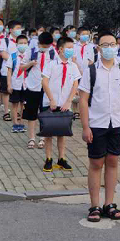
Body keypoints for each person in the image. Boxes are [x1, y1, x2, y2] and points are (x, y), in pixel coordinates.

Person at [79, 30, 120, 222]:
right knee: (96, 163)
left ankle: (109, 203)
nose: (110, 48)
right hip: (97, 124)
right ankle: (94, 205)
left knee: (113, 162)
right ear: (98, 48)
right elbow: (83, 101)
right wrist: (85, 127)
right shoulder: (91, 71)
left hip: (116, 123)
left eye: (112, 44)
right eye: (105, 45)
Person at [40, 36, 81, 172]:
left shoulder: (73, 66)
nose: (71, 50)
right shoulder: (51, 64)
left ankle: (61, 158)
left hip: (65, 104)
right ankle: (48, 158)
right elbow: (45, 82)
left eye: (72, 48)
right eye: (68, 48)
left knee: (62, 132)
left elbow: (75, 83)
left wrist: (69, 101)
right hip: (50, 102)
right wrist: (52, 99)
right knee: (48, 131)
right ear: (61, 49)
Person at [24, 32, 55, 150]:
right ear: (39, 43)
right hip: (33, 86)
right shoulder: (31, 51)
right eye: (44, 46)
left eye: (48, 46)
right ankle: (31, 138)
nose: (46, 48)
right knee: (31, 113)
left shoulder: (53, 53)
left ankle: (42, 137)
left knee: (44, 113)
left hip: (47, 88)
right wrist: (31, 63)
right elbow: (21, 67)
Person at [8, 33, 34, 134]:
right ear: (16, 44)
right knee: (14, 104)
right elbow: (9, 71)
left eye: (25, 43)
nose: (23, 45)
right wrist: (9, 84)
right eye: (21, 43)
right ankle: (15, 123)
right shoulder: (13, 56)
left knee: (23, 104)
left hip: (26, 84)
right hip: (15, 84)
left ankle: (21, 122)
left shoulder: (29, 57)